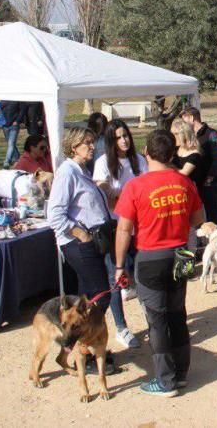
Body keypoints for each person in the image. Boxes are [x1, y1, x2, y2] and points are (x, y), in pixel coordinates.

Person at [114, 129, 205, 397]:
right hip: (182, 252)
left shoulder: (135, 186)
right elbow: (198, 218)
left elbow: (123, 230)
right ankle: (181, 374)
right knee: (178, 314)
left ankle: (165, 381)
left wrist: (120, 266)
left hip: (151, 256)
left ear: (146, 153)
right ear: (173, 153)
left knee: (157, 320)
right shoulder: (184, 182)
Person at [46, 127, 118, 371]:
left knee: (85, 300)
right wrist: (81, 234)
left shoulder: (81, 171)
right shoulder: (67, 173)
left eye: (92, 141)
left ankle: (76, 350)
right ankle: (85, 350)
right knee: (100, 296)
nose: (92, 146)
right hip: (78, 244)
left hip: (92, 242)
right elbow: (54, 214)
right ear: (73, 146)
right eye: (86, 143)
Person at [93, 119, 146, 350]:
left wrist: (125, 195)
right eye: (118, 137)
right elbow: (103, 187)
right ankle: (121, 327)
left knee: (141, 274)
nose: (124, 140)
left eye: (126, 135)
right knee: (116, 277)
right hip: (116, 228)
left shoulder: (139, 161)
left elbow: (145, 186)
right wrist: (115, 192)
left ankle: (151, 319)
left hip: (139, 227)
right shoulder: (103, 162)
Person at [182, 107, 217, 225]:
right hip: (192, 181)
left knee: (211, 214)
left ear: (191, 118)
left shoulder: (211, 134)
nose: (183, 124)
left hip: (207, 181)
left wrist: (211, 177)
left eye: (185, 120)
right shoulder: (188, 135)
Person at [0, 100, 27, 169]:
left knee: (11, 143)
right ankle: (18, 159)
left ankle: (7, 161)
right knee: (11, 144)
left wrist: (17, 121)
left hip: (14, 125)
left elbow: (23, 110)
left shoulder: (18, 99)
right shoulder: (3, 100)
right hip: (5, 125)